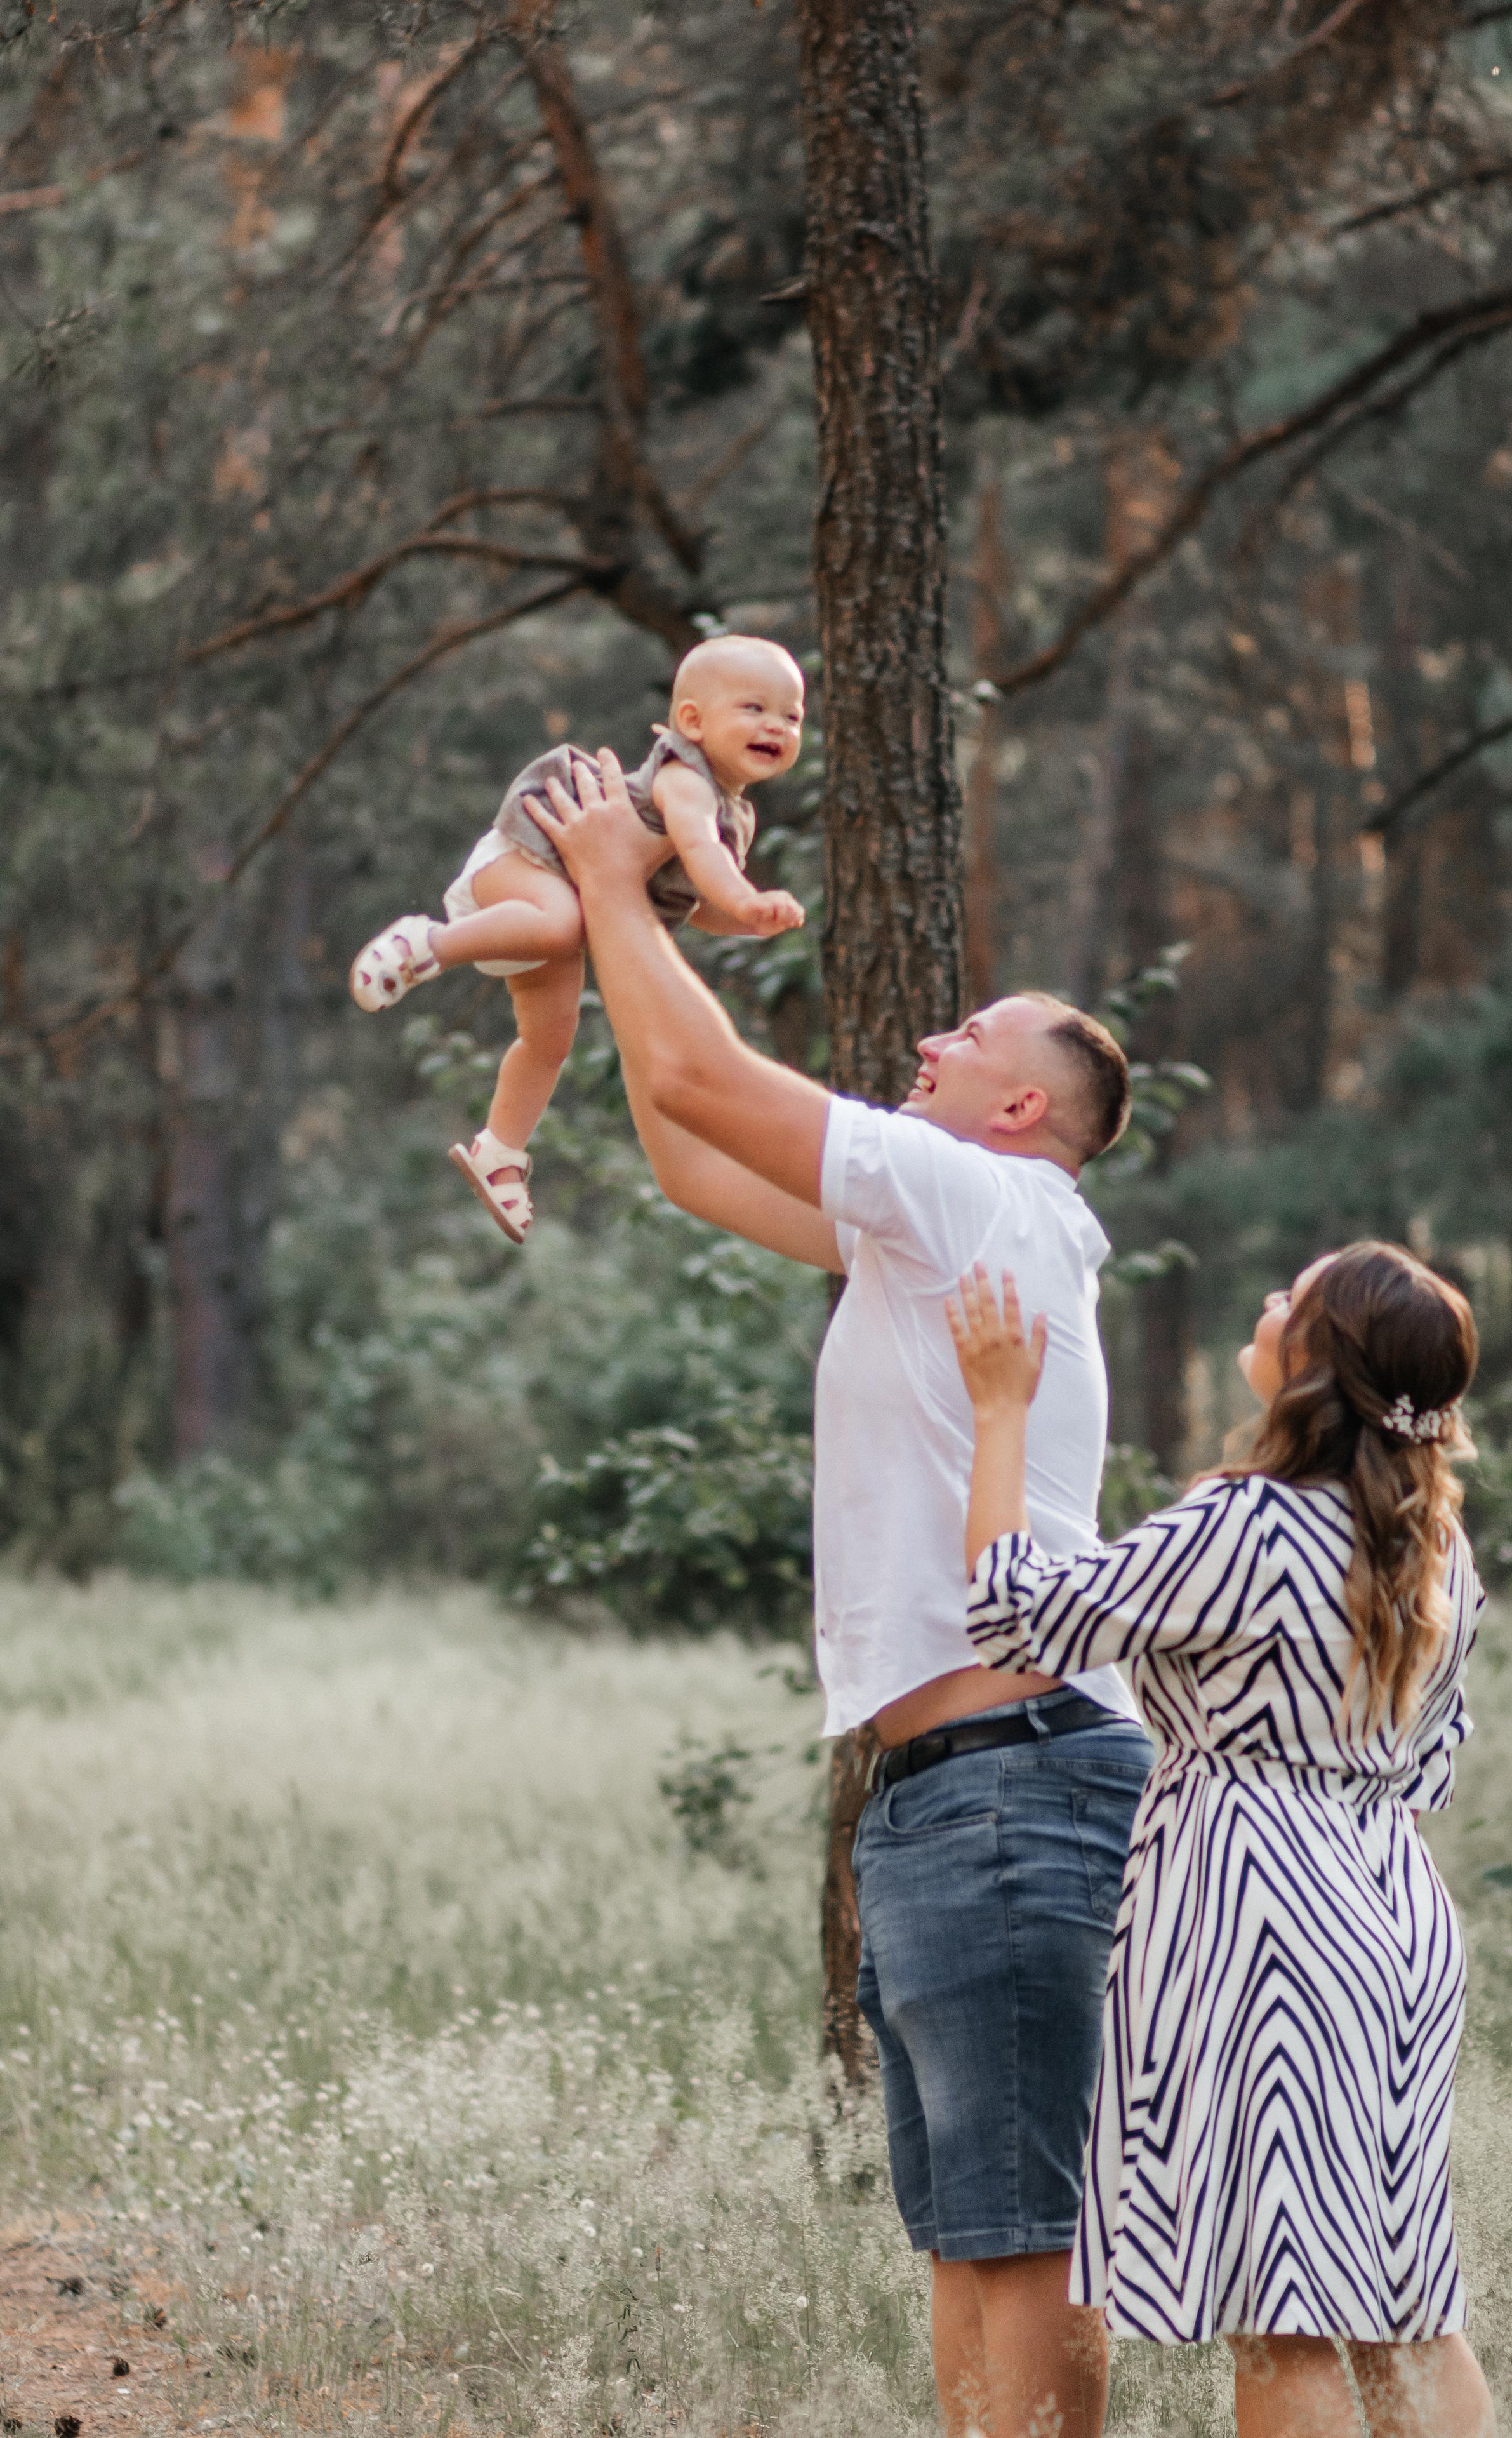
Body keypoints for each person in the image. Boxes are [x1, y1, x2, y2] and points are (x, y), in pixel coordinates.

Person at [529, 747, 1153, 2438]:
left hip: (1014, 1784)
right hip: (954, 1794)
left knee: (1023, 2244)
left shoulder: (981, 1192)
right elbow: (690, 1150)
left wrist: (609, 871)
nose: (933, 1042)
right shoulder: (936, 1230)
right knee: (970, 2244)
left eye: (971, 1040)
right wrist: (596, 935)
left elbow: (719, 1086)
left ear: (1024, 1106)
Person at [947, 1244, 1497, 2438]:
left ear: (1317, 1360)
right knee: (1405, 2305)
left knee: (1282, 2311)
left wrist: (999, 1411)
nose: (1266, 1305)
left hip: (1261, 1923)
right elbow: (1433, 1760)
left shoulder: (1248, 1523)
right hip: (1394, 1914)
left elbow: (1010, 1613)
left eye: (1288, 1299)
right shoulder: (1437, 1546)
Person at [347, 636, 807, 1242]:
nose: (776, 725)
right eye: (755, 709)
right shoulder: (687, 781)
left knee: (548, 1041)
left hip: (551, 910)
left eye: (793, 716)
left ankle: (500, 1148)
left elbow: (694, 901)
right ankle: (427, 944)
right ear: (692, 721)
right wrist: (747, 896)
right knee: (562, 925)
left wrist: (747, 921)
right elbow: (699, 852)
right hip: (528, 860)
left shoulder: (735, 814)